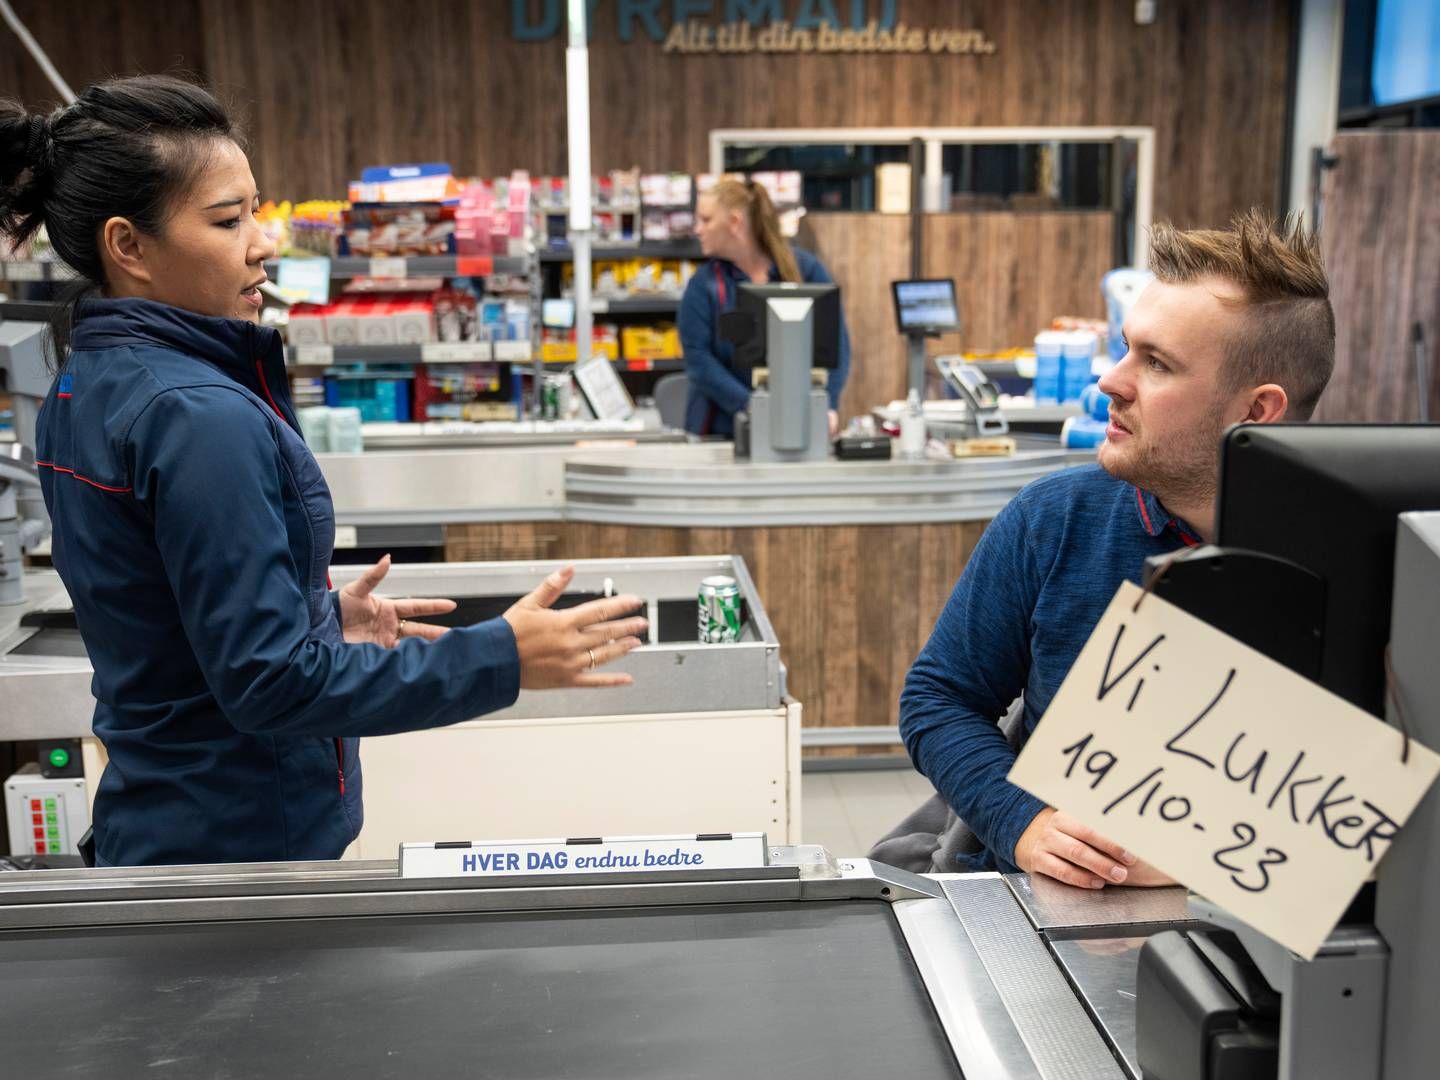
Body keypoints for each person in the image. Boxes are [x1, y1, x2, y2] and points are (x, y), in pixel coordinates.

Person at [0, 76, 648, 867]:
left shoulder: (82, 381)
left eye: (257, 211)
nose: (263, 242)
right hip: (240, 856)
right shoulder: (196, 415)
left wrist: (309, 618)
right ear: (127, 246)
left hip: (165, 819)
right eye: (228, 220)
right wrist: (501, 657)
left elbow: (165, 612)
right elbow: (271, 688)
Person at [897, 210, 1335, 889]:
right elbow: (939, 698)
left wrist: (1209, 857)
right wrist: (1023, 822)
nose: (1112, 380)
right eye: (1128, 348)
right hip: (1056, 908)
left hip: (1266, 929)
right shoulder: (1054, 520)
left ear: (1257, 411)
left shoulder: (1366, 561)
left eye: (1156, 363)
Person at [679, 177, 851, 438]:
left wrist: (826, 405)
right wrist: (752, 406)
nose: (697, 229)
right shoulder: (704, 285)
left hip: (799, 427)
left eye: (706, 220)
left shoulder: (806, 270)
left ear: (734, 223)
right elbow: (699, 361)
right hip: (722, 434)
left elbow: (837, 346)